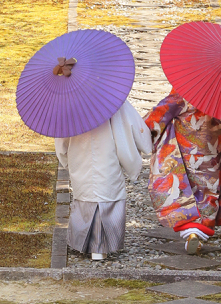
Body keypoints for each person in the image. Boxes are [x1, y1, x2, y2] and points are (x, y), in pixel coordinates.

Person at [145, 90, 221, 254]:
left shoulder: (186, 92)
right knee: (209, 191)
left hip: (185, 153)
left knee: (182, 191)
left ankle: (191, 231)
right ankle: (200, 231)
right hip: (212, 154)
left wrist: (145, 131)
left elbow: (158, 116)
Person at [55, 100, 152, 262]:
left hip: (80, 154)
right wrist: (146, 142)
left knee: (85, 196)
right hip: (108, 155)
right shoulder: (112, 98)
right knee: (108, 194)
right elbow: (133, 125)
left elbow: (61, 139)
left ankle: (85, 244)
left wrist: (64, 156)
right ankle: (103, 247)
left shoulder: (70, 102)